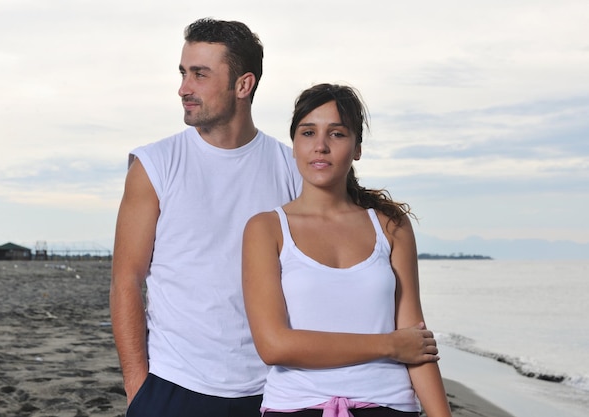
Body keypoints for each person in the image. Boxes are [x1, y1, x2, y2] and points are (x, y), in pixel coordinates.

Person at [109, 18, 301, 417]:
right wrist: (137, 387)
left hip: (272, 388)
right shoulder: (155, 165)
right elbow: (126, 279)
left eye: (199, 74)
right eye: (183, 73)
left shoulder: (292, 168)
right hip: (173, 384)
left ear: (243, 85)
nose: (184, 88)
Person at [242, 83, 453, 417]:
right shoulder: (266, 228)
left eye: (337, 134)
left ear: (357, 147)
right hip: (296, 407)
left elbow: (416, 343)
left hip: (388, 405)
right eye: (308, 132)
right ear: (294, 145)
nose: (321, 146)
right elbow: (274, 345)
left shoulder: (390, 226)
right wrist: (389, 345)